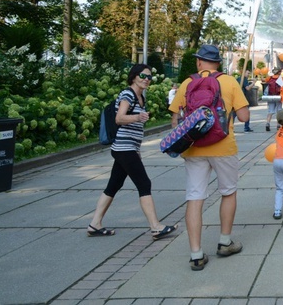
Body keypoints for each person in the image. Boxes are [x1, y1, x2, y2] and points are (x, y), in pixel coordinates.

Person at [168, 45, 250, 271]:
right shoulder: (230, 82)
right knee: (228, 192)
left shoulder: (186, 83)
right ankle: (225, 242)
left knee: (195, 198)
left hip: (194, 149)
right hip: (223, 146)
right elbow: (244, 116)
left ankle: (196, 254)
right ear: (218, 63)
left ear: (198, 62)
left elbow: (175, 120)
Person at [88, 64, 178, 240]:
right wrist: (138, 117)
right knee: (144, 184)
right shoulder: (128, 94)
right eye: (143, 76)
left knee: (113, 186)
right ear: (134, 76)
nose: (146, 80)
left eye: (149, 77)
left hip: (128, 149)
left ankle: (95, 224)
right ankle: (155, 227)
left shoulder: (140, 97)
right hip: (123, 148)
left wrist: (137, 150)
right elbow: (119, 118)